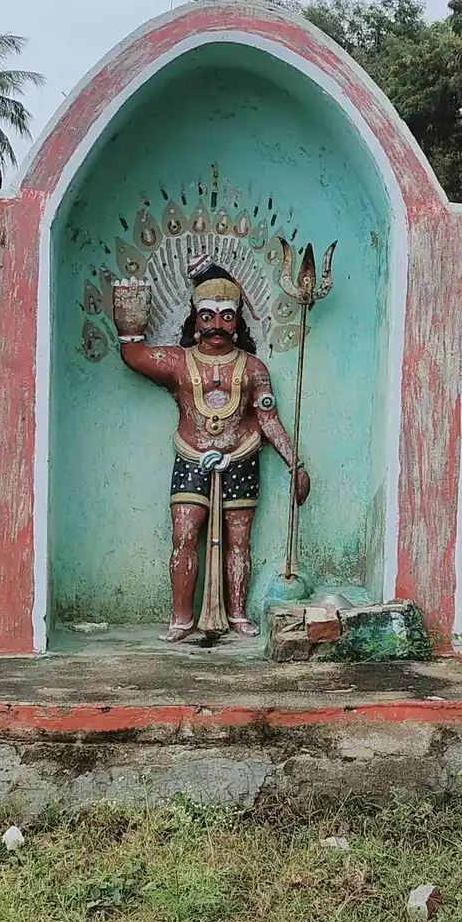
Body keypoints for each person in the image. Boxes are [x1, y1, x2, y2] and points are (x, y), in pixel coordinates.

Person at [112, 262, 311, 641]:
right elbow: (135, 358)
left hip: (241, 459)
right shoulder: (179, 362)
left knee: (239, 542)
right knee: (184, 536)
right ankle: (181, 618)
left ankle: (236, 614)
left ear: (237, 323)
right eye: (207, 316)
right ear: (195, 319)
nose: (216, 325)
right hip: (191, 457)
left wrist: (295, 463)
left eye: (225, 317)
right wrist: (129, 326)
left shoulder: (253, 369)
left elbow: (268, 420)